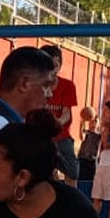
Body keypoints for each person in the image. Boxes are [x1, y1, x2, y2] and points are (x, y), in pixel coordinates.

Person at [39, 43, 80, 180]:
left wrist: (58, 122)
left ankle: (71, 200)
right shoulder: (37, 84)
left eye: (56, 64)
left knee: (72, 173)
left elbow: (67, 112)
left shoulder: (67, 86)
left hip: (61, 135)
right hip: (42, 136)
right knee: (44, 172)